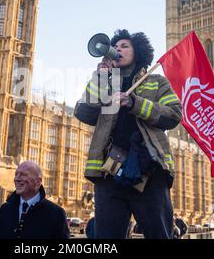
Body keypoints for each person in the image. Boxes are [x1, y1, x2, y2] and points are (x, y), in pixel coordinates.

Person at [74, 29, 182, 239]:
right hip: (109, 173)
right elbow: (84, 112)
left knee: (159, 233)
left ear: (137, 52)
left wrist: (135, 104)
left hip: (148, 171)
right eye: (115, 46)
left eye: (125, 46)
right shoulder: (104, 81)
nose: (118, 49)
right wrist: (100, 78)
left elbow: (174, 115)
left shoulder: (156, 81)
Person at [0, 161, 69, 239]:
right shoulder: (5, 209)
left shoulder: (56, 213)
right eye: (16, 174)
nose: (17, 179)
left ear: (38, 182)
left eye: (23, 175)